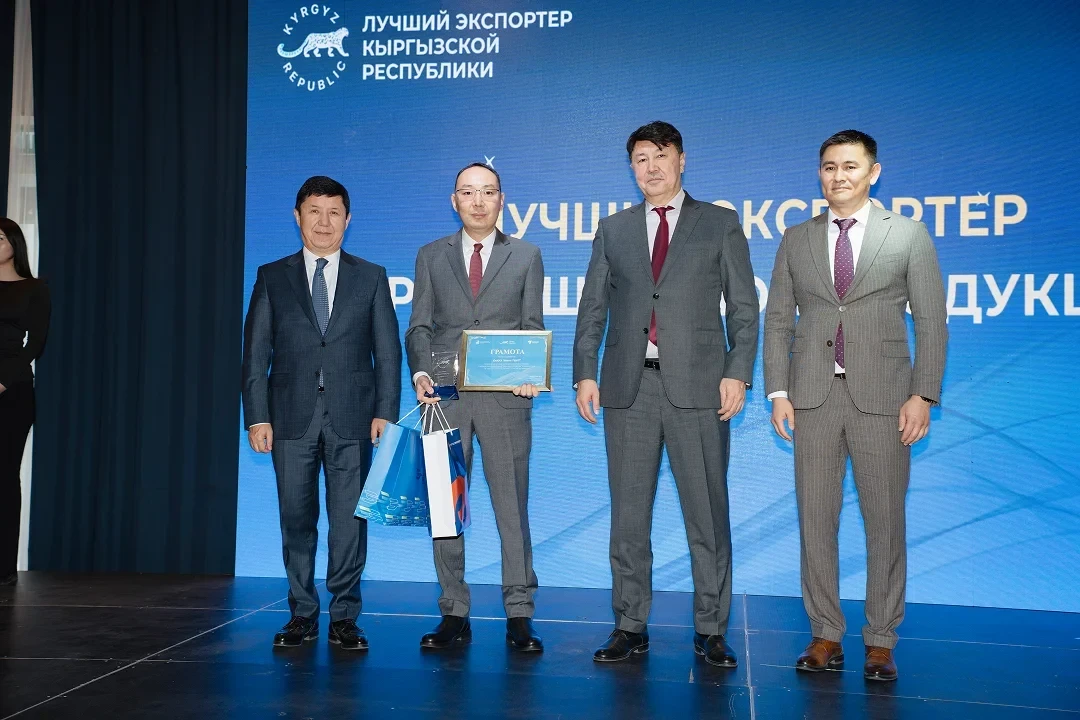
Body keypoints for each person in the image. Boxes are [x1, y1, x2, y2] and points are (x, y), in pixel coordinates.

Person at [763, 130, 947, 682]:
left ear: (873, 172)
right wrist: (778, 391)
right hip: (812, 398)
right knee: (816, 522)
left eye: (849, 166)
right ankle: (825, 633)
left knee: (884, 522)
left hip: (886, 400)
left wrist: (923, 393)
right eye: (828, 167)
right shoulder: (796, 238)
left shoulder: (908, 234)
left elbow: (931, 321)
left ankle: (881, 639)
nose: (838, 176)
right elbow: (778, 320)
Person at [573, 122, 759, 666]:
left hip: (700, 388)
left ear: (682, 159)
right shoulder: (613, 229)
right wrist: (586, 372)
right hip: (628, 389)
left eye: (660, 155)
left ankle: (711, 628)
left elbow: (744, 309)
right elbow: (592, 309)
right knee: (629, 518)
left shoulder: (719, 223)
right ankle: (629, 624)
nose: (650, 167)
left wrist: (738, 372)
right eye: (640, 158)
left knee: (707, 516)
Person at [242, 176, 401, 650]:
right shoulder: (272, 276)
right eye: (315, 211)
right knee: (296, 518)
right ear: (298, 217)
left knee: (350, 521)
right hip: (289, 418)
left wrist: (385, 411)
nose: (324, 222)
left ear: (348, 220)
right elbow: (255, 354)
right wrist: (257, 416)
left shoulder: (371, 276)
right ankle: (302, 613)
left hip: (354, 418)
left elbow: (387, 352)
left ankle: (345, 616)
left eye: (334, 212)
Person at [406, 162, 546, 652]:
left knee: (512, 507)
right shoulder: (431, 255)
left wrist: (531, 374)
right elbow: (419, 326)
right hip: (442, 398)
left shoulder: (527, 255)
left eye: (488, 192)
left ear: (501, 200)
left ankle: (519, 612)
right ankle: (453, 610)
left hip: (506, 401)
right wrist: (420, 372)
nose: (478, 201)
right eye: (468, 192)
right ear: (454, 201)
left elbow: (532, 328)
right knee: (446, 508)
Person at [0, 218, 50, 586]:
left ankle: (3, 566)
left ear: (14, 244)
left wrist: (3, 379)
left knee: (4, 476)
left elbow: (36, 343)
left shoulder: (34, 288)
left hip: (13, 390)